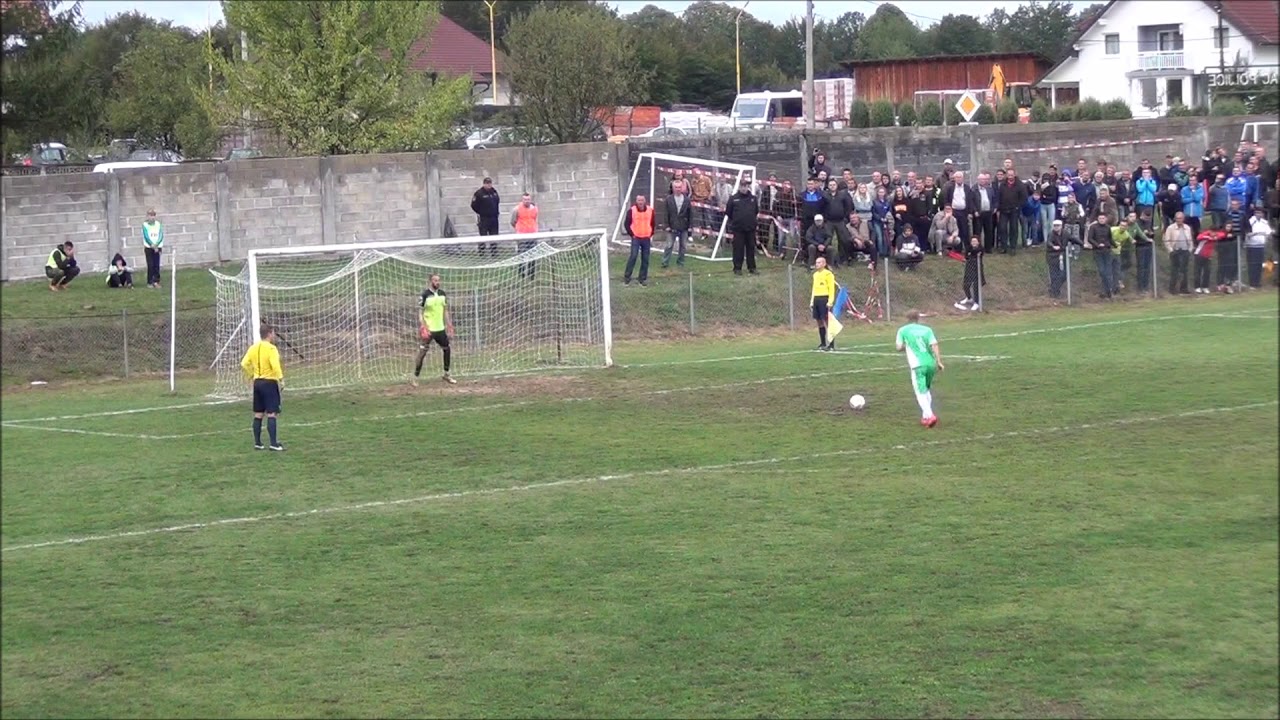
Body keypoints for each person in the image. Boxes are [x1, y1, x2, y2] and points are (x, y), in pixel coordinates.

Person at [895, 309, 944, 428]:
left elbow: (898, 347)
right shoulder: (927, 330)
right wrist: (938, 361)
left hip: (918, 365)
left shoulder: (903, 330)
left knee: (920, 392)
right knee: (926, 389)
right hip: (930, 363)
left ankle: (930, 415)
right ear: (918, 318)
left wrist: (906, 346)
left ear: (907, 318)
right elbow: (934, 345)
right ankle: (925, 416)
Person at [240, 323, 285, 451]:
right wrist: (281, 379)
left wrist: (251, 374)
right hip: (269, 382)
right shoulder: (271, 349)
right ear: (270, 334)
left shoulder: (253, 348)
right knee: (271, 413)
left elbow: (244, 363)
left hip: (257, 382)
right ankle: (273, 444)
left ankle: (258, 443)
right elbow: (275, 366)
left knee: (258, 413)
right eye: (273, 333)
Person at [414, 273, 456, 385]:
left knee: (447, 349)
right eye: (435, 280)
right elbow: (420, 312)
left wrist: (449, 325)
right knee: (422, 352)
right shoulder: (425, 295)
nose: (438, 282)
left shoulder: (442, 294)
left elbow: (445, 310)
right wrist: (423, 326)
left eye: (439, 280)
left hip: (440, 329)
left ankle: (446, 374)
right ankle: (415, 377)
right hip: (429, 329)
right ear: (430, 281)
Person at [725, 178, 759, 276]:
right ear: (739, 186)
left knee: (751, 248)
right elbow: (728, 212)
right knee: (738, 249)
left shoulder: (753, 198)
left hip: (750, 228)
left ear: (748, 187)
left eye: (746, 186)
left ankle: (752, 267)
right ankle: (737, 268)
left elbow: (756, 211)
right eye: (742, 186)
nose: (744, 188)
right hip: (738, 229)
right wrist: (736, 221)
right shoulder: (733, 198)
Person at [622, 194, 655, 286]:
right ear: (636, 201)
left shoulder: (650, 210)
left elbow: (653, 223)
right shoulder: (631, 210)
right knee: (633, 256)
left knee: (645, 259)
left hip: (646, 238)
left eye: (642, 200)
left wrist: (650, 233)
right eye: (639, 200)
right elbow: (626, 224)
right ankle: (627, 277)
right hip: (636, 238)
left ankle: (642, 278)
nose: (640, 202)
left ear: (645, 201)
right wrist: (632, 235)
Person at [661, 179, 692, 269]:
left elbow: (690, 214)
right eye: (676, 187)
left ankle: (680, 263)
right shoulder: (668, 199)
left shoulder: (687, 199)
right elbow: (665, 213)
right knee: (669, 245)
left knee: (683, 246)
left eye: (679, 187)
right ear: (673, 188)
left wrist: (690, 226)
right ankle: (665, 262)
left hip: (684, 226)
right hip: (672, 226)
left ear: (682, 188)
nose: (678, 189)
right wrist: (666, 225)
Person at [1084, 212, 1116, 298]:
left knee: (1108, 271)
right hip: (1097, 251)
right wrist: (1097, 245)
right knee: (1102, 271)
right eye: (1100, 218)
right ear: (1097, 219)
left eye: (1103, 218)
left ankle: (1109, 291)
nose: (1102, 220)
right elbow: (1090, 239)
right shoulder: (1093, 227)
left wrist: (1115, 245)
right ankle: (1105, 290)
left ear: (1105, 219)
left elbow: (1110, 238)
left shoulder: (1108, 227)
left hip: (1107, 251)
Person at [1163, 211, 1194, 294]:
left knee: (1184, 271)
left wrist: (1190, 250)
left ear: (1183, 219)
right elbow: (1166, 240)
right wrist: (1171, 250)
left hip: (1185, 251)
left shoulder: (1187, 227)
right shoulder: (1170, 228)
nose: (1178, 220)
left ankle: (1184, 288)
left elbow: (1190, 240)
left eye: (1180, 218)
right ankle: (1172, 289)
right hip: (1175, 251)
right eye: (1177, 218)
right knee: (1175, 270)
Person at [510, 192, 539, 279]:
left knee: (533, 256)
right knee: (522, 255)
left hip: (532, 236)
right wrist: (519, 229)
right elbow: (513, 221)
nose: (527, 201)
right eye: (525, 200)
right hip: (522, 236)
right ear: (522, 200)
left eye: (528, 199)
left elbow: (535, 220)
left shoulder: (535, 209)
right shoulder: (517, 209)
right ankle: (521, 274)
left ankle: (531, 275)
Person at [810, 256, 836, 351]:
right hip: (817, 298)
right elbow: (814, 288)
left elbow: (831, 289)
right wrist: (812, 301)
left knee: (827, 321)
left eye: (819, 262)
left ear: (824, 264)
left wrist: (830, 302)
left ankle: (832, 344)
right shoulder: (815, 275)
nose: (817, 264)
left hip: (824, 298)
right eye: (816, 262)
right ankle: (822, 343)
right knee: (819, 321)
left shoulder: (828, 274)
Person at [470, 177, 501, 257]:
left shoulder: (494, 192)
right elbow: (473, 205)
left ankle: (494, 253)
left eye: (490, 183)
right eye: (487, 183)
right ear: (484, 184)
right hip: (484, 218)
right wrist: (481, 212)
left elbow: (497, 201)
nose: (488, 185)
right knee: (483, 236)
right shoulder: (479, 193)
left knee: (494, 236)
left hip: (494, 218)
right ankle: (482, 253)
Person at [1192, 223, 1225, 294]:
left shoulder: (1216, 235)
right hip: (1199, 255)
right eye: (1212, 232)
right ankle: (1197, 287)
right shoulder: (1205, 234)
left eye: (1215, 232)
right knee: (1198, 272)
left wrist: (1215, 237)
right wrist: (1209, 237)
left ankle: (1205, 287)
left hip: (1208, 256)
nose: (1214, 234)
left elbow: (1222, 234)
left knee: (1207, 272)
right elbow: (1199, 237)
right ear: (1210, 231)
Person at [1245, 206, 1272, 288]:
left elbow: (1268, 232)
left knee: (1259, 264)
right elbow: (1248, 233)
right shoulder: (1251, 221)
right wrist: (1257, 234)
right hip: (1251, 246)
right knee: (1252, 265)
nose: (1258, 214)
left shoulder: (1264, 222)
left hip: (1261, 246)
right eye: (1256, 213)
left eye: (1260, 213)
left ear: (1262, 214)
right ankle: (1252, 283)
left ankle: (1257, 282)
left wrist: (1265, 235)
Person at [955, 236, 984, 311]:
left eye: (975, 241)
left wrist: (970, 254)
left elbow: (976, 253)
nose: (974, 243)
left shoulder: (980, 249)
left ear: (978, 242)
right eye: (972, 241)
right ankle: (969, 298)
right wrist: (969, 255)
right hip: (969, 269)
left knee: (976, 286)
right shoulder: (968, 248)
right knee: (966, 284)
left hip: (977, 270)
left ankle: (977, 303)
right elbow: (966, 256)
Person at [142, 209, 164, 288]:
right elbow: (146, 236)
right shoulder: (145, 225)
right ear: (147, 216)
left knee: (156, 265)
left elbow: (161, 235)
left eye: (153, 215)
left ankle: (156, 281)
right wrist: (152, 245)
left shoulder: (158, 224)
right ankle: (150, 281)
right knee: (150, 265)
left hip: (157, 247)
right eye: (150, 215)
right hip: (149, 247)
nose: (152, 217)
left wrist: (156, 245)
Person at [1046, 219, 1067, 300]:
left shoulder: (1065, 233)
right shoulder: (1051, 234)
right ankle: (1054, 292)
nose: (1056, 227)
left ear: (1061, 226)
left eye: (1058, 226)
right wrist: (1053, 246)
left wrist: (1082, 244)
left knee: (1063, 275)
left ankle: (1054, 290)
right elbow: (1049, 242)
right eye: (1055, 226)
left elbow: (1072, 238)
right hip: (1052, 257)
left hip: (1060, 257)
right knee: (1053, 275)